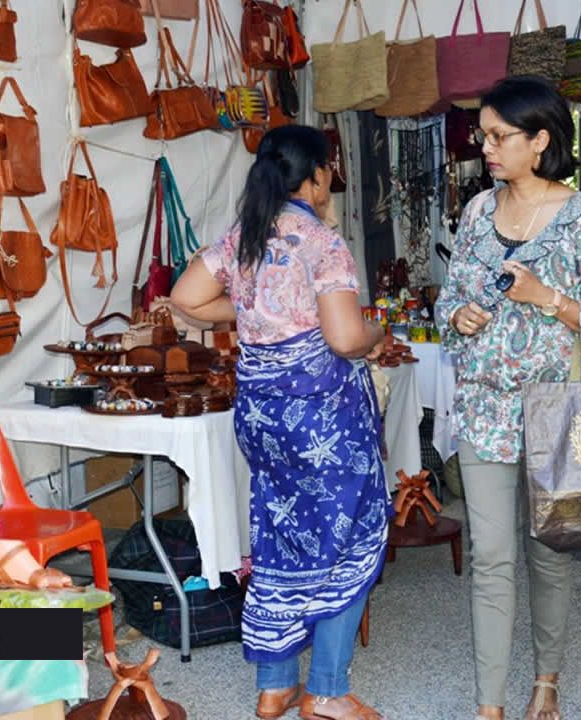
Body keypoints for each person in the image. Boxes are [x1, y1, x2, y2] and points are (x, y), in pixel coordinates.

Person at [170, 126, 390, 720]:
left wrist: (247, 311)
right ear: (315, 176)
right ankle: (326, 691)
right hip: (322, 421)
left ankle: (273, 686)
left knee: (278, 536)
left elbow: (184, 298)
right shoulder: (322, 242)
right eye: (328, 173)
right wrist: (376, 334)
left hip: (263, 417)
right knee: (346, 538)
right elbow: (344, 337)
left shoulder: (245, 235)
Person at [435, 76, 581, 720]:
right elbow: (447, 298)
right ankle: (489, 705)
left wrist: (545, 297)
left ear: (540, 140)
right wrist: (458, 316)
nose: (484, 147)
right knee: (491, 556)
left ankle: (547, 678)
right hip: (485, 406)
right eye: (482, 135)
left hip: (559, 412)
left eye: (497, 136)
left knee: (550, 553)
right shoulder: (474, 213)